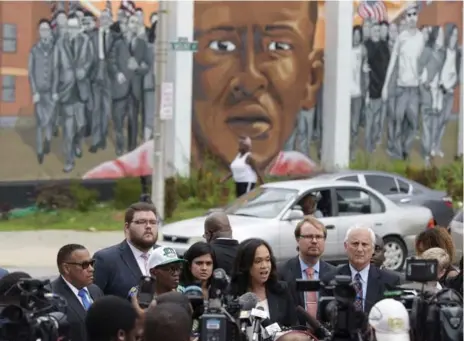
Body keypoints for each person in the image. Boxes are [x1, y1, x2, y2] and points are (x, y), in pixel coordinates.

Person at [322, 226, 400, 314]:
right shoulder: (330, 279)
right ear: (346, 246)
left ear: (373, 249)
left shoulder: (390, 281)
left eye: (364, 244)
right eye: (355, 244)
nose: (359, 249)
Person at [94, 202, 159, 298]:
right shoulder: (106, 260)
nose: (148, 226)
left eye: (153, 222)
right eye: (141, 222)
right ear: (127, 227)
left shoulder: (166, 255)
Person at [230, 238, 297, 327]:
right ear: (245, 265)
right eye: (258, 261)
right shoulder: (232, 295)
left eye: (267, 259)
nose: (264, 266)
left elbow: (293, 326)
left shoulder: (281, 289)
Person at [278, 217, 335, 320]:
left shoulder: (334, 274)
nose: (314, 241)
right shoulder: (282, 272)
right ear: (297, 239)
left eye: (318, 237)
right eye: (309, 236)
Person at [51, 244, 103, 341]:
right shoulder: (52, 297)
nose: (91, 269)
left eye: (92, 263)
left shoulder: (95, 290)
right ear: (66, 268)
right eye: (85, 265)